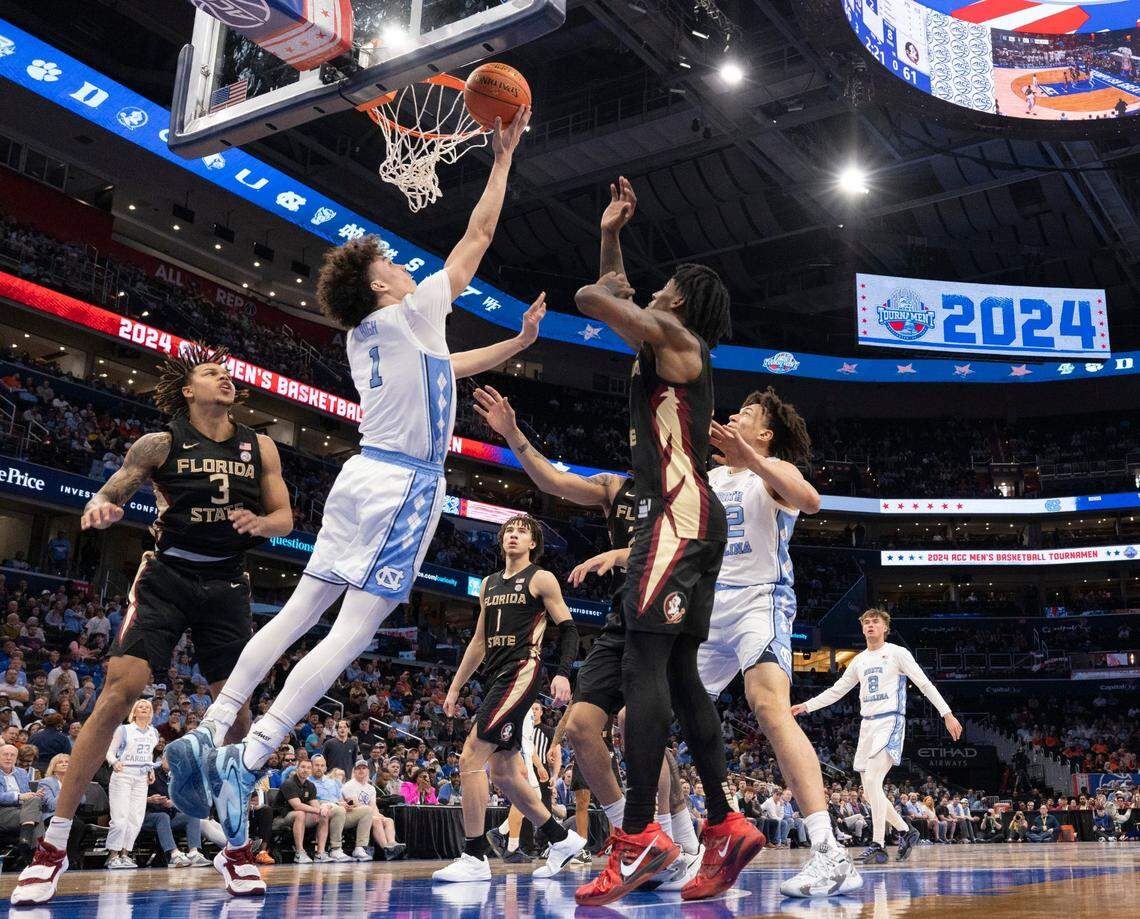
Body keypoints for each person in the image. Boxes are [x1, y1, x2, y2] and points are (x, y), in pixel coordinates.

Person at [166, 106, 542, 898]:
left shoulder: (375, 333)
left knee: (298, 613)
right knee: (355, 629)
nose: (409, 267)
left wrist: (516, 344)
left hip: (359, 478)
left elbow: (448, 357)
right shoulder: (408, 310)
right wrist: (502, 158)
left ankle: (210, 728)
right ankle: (251, 752)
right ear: (381, 283)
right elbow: (473, 243)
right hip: (402, 485)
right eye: (397, 264)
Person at [474, 178, 705, 891]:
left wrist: (625, 549)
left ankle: (685, 834)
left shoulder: (677, 462)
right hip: (621, 613)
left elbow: (606, 296)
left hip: (670, 594)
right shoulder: (614, 488)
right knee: (578, 728)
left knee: (645, 723)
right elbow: (548, 483)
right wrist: (514, 435)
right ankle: (640, 839)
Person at [14, 344, 294, 905]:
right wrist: (100, 504)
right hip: (166, 576)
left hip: (228, 585)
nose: (226, 379)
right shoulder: (160, 442)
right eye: (212, 373)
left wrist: (260, 522)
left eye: (228, 374)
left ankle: (235, 848)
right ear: (189, 389)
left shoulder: (260, 445)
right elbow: (117, 483)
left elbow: (285, 516)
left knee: (237, 717)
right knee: (120, 693)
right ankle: (53, 847)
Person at [572, 225, 759, 904]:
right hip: (690, 516)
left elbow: (595, 300)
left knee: (642, 666)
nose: (653, 288)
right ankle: (724, 822)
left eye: (665, 287)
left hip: (674, 515)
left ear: (679, 302)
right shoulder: (669, 341)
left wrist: (599, 284)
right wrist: (613, 235)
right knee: (679, 674)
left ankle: (640, 834)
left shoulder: (679, 341)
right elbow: (618, 295)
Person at [703, 387, 860, 896]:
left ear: (765, 434)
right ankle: (683, 847)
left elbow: (811, 501)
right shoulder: (711, 478)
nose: (733, 414)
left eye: (744, 412)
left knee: (769, 707)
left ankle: (828, 850)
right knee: (646, 719)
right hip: (709, 606)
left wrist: (750, 457)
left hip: (759, 601)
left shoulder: (772, 471)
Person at [432, 515, 584, 883]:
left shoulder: (541, 578)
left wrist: (562, 672)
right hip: (496, 674)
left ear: (533, 543)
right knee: (503, 771)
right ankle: (560, 839)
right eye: (509, 531)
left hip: (522, 669)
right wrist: (455, 687)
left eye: (523, 532)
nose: (513, 535)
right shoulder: (488, 584)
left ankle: (473, 855)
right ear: (501, 541)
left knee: (470, 754)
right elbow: (479, 642)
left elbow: (569, 629)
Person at [793, 608, 962, 865]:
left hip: (890, 720)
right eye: (866, 622)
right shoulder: (859, 660)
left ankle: (878, 845)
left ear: (885, 627)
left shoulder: (897, 653)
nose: (870, 625)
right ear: (862, 628)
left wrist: (946, 713)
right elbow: (837, 690)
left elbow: (924, 683)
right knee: (870, 792)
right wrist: (807, 705)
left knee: (873, 780)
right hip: (867, 726)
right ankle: (907, 831)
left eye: (876, 621)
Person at [104, 698, 160, 869]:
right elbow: (109, 752)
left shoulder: (154, 733)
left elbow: (149, 756)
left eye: (147, 707)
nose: (144, 709)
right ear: (134, 712)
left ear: (151, 713)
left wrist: (151, 770)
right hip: (123, 774)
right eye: (140, 707)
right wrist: (114, 762)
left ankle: (125, 854)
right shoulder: (124, 730)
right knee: (120, 817)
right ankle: (113, 855)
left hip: (141, 777)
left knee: (136, 818)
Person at [142, 757, 210, 868]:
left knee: (191, 816)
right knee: (162, 816)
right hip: (146, 815)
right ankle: (174, 854)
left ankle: (194, 853)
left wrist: (172, 803)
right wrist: (150, 799)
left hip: (168, 815)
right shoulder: (150, 772)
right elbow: (135, 797)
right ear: (162, 759)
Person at [341, 758, 405, 860]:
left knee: (388, 820)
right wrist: (374, 816)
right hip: (353, 813)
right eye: (359, 768)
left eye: (364, 768)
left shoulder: (370, 788)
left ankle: (392, 843)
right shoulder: (349, 785)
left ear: (368, 771)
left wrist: (378, 815)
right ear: (354, 771)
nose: (361, 770)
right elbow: (354, 804)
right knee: (376, 821)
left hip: (368, 813)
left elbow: (373, 805)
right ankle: (386, 848)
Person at [277, 758, 331, 863]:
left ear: (311, 771)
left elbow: (315, 804)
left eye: (308, 768)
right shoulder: (289, 783)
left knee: (324, 815)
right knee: (300, 814)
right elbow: (297, 806)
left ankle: (320, 853)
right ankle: (299, 853)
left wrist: (321, 809)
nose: (305, 770)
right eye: (302, 767)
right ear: (297, 768)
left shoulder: (310, 785)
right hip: (282, 817)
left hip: (300, 816)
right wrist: (316, 810)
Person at [0, 742, 44, 850]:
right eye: (5, 754)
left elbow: (27, 794)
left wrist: (34, 795)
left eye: (12, 755)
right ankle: (37, 853)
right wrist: (19, 797)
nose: (9, 758)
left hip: (23, 810)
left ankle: (26, 844)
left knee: (36, 800)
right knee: (37, 817)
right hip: (3, 812)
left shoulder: (22, 773)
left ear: (16, 758)